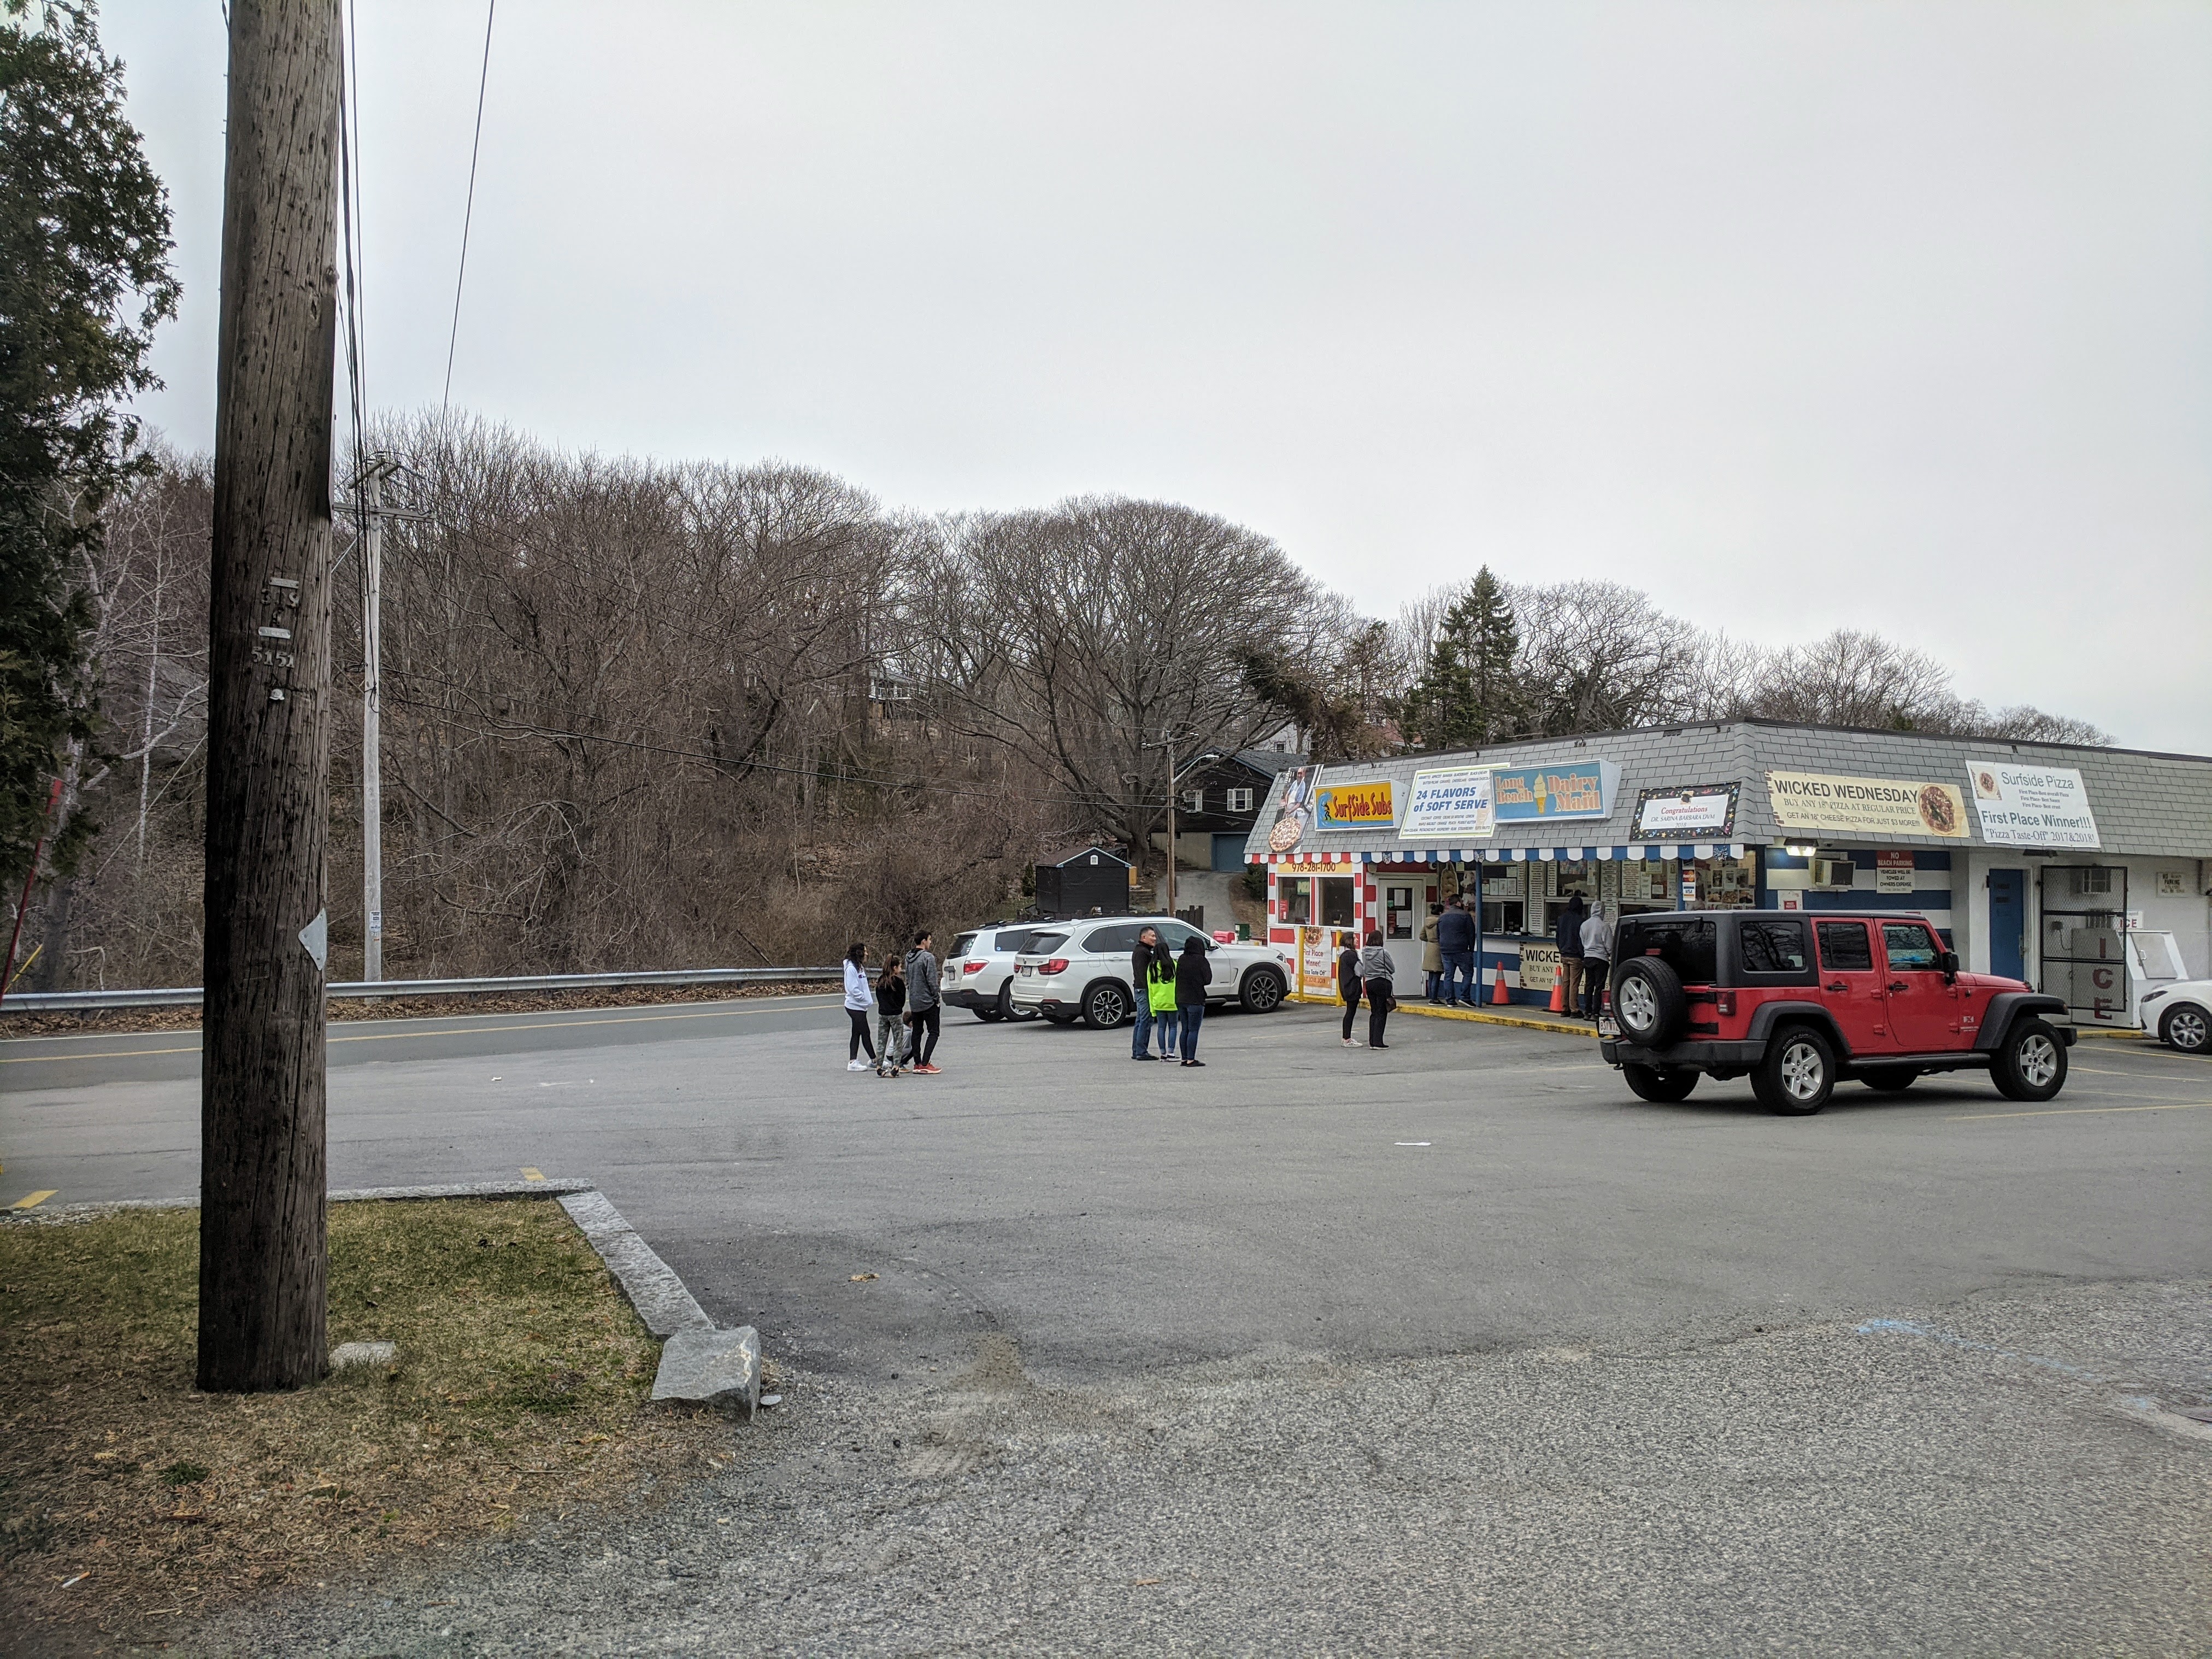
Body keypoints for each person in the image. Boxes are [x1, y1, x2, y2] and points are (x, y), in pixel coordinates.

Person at [904, 929, 943, 1074]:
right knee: (934, 1032)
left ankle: (917, 1062)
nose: (931, 942)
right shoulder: (928, 957)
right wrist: (936, 998)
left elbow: (908, 979)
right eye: (930, 940)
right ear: (924, 941)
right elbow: (932, 980)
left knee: (917, 1031)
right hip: (928, 1001)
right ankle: (926, 1062)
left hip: (915, 1000)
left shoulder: (908, 957)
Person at [1174, 935, 1213, 1067]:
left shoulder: (1182, 959)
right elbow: (1208, 980)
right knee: (1193, 1030)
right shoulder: (1201, 960)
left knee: (1184, 1029)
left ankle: (1184, 1059)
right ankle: (1191, 1059)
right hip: (1196, 999)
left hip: (1180, 998)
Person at [1357, 928, 1397, 1049]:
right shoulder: (1383, 953)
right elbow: (1392, 969)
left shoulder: (1364, 952)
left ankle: (1372, 1041)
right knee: (1382, 1012)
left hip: (1369, 983)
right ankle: (1378, 1042)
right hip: (1383, 982)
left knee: (1374, 1012)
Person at [842, 943, 878, 1072]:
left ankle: (853, 1061)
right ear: (859, 953)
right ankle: (875, 1061)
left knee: (856, 1033)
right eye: (865, 951)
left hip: (861, 1007)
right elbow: (852, 989)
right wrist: (864, 999)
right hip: (854, 1007)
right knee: (865, 1033)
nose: (867, 954)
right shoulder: (851, 969)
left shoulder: (859, 967)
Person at [1131, 926, 1164, 1061]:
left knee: (1140, 1020)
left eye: (1155, 936)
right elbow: (1143, 974)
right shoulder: (1143, 953)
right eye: (1152, 936)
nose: (1155, 938)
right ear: (1143, 937)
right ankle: (1141, 1052)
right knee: (1145, 1020)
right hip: (1144, 990)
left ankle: (1137, 1050)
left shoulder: (1142, 951)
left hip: (1140, 989)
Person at [1436, 895, 1475, 1006]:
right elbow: (1471, 934)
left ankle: (1450, 1000)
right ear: (1458, 903)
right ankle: (1465, 997)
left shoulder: (1442, 917)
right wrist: (1471, 949)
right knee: (1468, 973)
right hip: (1461, 949)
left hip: (1445, 950)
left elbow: (1438, 934)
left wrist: (1442, 946)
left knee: (1449, 975)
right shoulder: (1465, 916)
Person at [1579, 902, 1614, 1021]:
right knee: (1599, 986)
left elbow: (1583, 942)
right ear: (1602, 911)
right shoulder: (1604, 926)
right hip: (1601, 959)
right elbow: (1610, 946)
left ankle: (1587, 1012)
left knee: (1589, 985)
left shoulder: (1584, 925)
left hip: (1588, 957)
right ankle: (1596, 1013)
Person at [874, 955, 908, 1075]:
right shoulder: (898, 982)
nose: (900, 969)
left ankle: (879, 1065)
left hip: (883, 1013)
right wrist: (897, 1007)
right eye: (900, 967)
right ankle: (896, 1066)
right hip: (895, 1014)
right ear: (895, 968)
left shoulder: (881, 980)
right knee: (898, 1040)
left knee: (881, 1040)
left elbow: (878, 996)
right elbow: (902, 999)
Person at [1556, 895, 1587, 1014]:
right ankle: (1574, 1009)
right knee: (1574, 983)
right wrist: (1582, 955)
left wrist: (1562, 950)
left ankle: (1565, 1008)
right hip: (1576, 956)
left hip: (1564, 955)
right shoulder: (1581, 921)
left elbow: (1558, 937)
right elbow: (1581, 941)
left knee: (1566, 982)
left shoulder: (1561, 918)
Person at [1338, 933, 1365, 1047]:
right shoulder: (1351, 955)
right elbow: (1360, 971)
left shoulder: (1344, 955)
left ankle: (1346, 1038)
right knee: (1350, 1012)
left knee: (1350, 1012)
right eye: (1355, 938)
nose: (1357, 940)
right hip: (1352, 986)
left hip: (1346, 986)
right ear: (1349, 940)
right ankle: (1347, 1039)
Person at [1420, 903, 1444, 1003]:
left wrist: (1430, 940)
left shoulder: (1427, 921)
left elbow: (1421, 936)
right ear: (1440, 912)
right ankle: (1434, 999)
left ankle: (1431, 997)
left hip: (1430, 948)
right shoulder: (1440, 922)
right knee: (1437, 974)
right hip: (1438, 948)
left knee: (1431, 975)